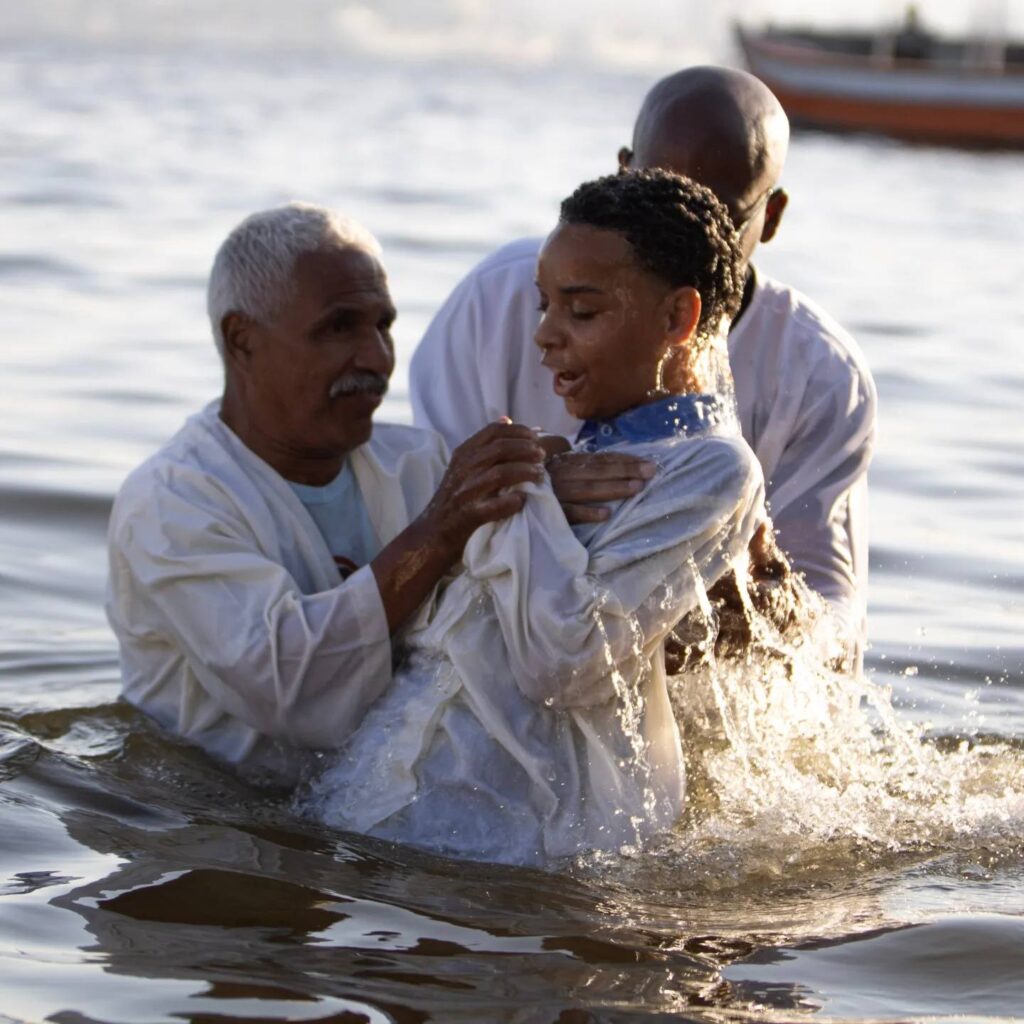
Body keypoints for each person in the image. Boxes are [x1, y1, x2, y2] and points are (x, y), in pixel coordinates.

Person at [303, 170, 764, 866]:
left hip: (501, 843)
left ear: (677, 320)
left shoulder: (712, 469)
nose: (545, 336)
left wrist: (529, 494)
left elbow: (567, 661)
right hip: (387, 809)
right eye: (544, 306)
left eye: (581, 312)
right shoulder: (585, 453)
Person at [410, 66, 877, 663]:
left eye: (717, 218)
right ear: (623, 174)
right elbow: (418, 522)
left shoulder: (820, 375)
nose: (683, 243)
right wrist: (530, 495)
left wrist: (773, 613)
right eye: (655, 201)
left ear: (774, 215)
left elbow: (835, 626)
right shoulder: (494, 303)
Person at [106, 202, 549, 779]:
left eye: (383, 325)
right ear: (242, 340)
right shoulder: (170, 503)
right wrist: (437, 533)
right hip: (212, 822)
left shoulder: (419, 464)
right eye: (339, 327)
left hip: (367, 805)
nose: (377, 359)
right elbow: (285, 687)